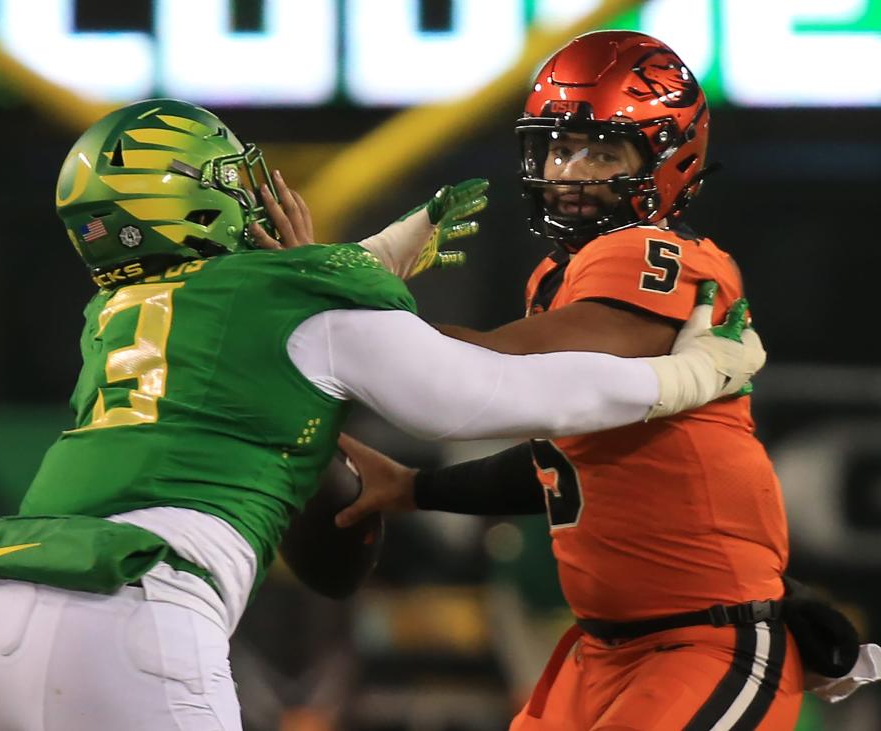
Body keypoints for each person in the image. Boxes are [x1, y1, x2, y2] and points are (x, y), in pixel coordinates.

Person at [0, 98, 761, 731]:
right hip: (136, 601)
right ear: (203, 198)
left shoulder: (118, 318)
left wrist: (364, 259)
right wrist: (687, 378)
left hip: (0, 610)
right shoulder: (290, 300)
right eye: (236, 179)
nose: (264, 193)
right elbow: (482, 397)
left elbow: (268, 326)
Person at [335, 31, 806, 731]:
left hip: (703, 644)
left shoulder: (654, 252)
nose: (571, 170)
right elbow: (568, 464)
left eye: (602, 150)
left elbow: (494, 369)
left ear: (671, 159)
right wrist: (416, 488)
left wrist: (335, 301)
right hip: (603, 650)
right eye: (559, 148)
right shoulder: (556, 279)